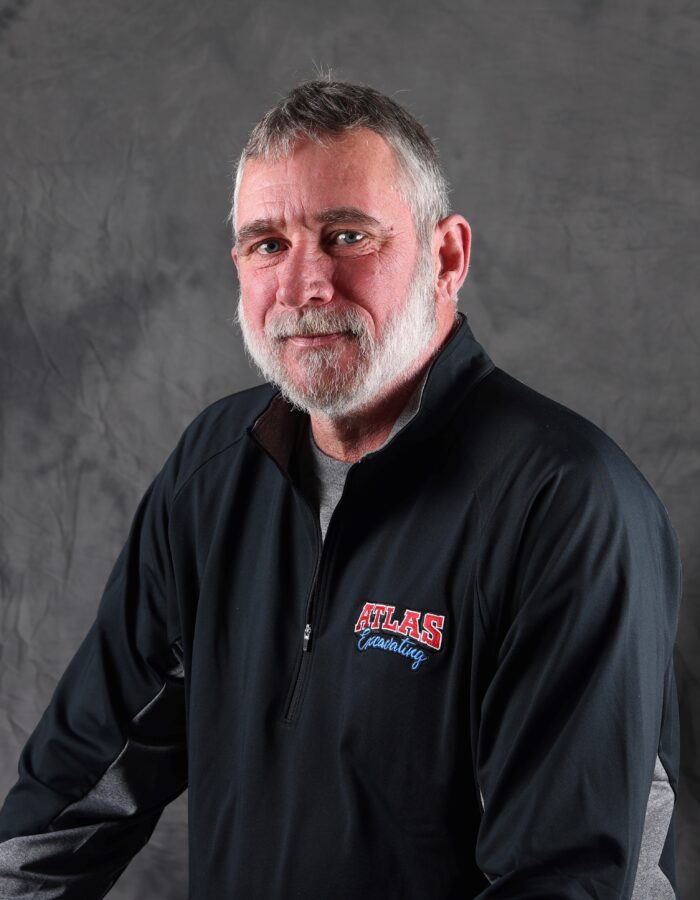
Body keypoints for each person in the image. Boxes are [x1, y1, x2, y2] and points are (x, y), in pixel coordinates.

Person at [0, 78, 682, 899]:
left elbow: (564, 877)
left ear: (448, 256)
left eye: (347, 235)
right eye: (267, 245)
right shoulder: (214, 472)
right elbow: (76, 790)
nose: (304, 285)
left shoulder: (567, 506)